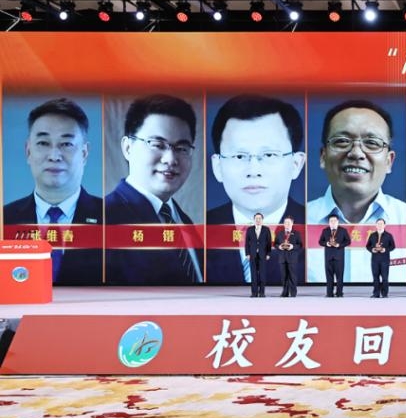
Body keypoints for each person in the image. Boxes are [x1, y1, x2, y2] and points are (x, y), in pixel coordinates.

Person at [206, 95, 307, 285]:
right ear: (217, 167)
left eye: (269, 155)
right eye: (239, 156)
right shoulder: (196, 231)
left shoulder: (316, 227)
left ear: (296, 164)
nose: (253, 171)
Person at [105, 94, 203, 284]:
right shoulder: (104, 220)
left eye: (181, 148)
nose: (170, 159)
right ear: (128, 148)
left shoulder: (184, 222)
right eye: (157, 145)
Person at [2, 98, 101, 284]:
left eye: (66, 144)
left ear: (84, 153)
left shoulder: (113, 218)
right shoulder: (4, 220)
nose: (54, 156)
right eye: (43, 143)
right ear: (28, 151)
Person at [308, 100, 406, 284]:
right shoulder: (298, 220)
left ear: (389, 161)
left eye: (372, 143)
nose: (356, 153)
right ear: (323, 156)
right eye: (342, 141)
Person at [318, 213, 351, 297]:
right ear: (329, 222)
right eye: (331, 221)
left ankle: (339, 293)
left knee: (339, 276)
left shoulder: (343, 230)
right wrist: (327, 243)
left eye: (334, 221)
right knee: (329, 276)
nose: (333, 222)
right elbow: (320, 242)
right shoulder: (325, 231)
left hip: (339, 257)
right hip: (328, 257)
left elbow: (348, 241)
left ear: (338, 222)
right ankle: (329, 293)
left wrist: (339, 245)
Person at [366, 218, 395, 298]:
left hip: (385, 259)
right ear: (376, 225)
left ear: (384, 225)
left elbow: (393, 246)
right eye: (378, 224)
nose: (380, 225)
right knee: (375, 277)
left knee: (385, 277)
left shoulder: (388, 235)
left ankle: (385, 293)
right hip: (375, 259)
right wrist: (372, 249)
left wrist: (385, 249)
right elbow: (367, 246)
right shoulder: (372, 235)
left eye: (381, 224)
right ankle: (376, 293)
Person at [244, 212, 272, 297]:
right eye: (256, 218)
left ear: (262, 220)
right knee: (253, 275)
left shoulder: (266, 229)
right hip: (252, 255)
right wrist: (247, 253)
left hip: (263, 255)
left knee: (262, 275)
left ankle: (262, 292)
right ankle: (254, 293)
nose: (258, 220)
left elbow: (269, 243)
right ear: (254, 220)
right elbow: (247, 243)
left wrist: (268, 253)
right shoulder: (250, 229)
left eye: (260, 218)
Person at [274, 216, 302, 297]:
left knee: (292, 276)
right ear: (283, 224)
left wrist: (292, 246)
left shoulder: (296, 233)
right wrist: (279, 247)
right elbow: (275, 244)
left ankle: (293, 292)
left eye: (289, 222)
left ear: (292, 223)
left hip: (292, 258)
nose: (287, 224)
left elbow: (300, 245)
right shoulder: (279, 233)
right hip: (282, 258)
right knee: (284, 276)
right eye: (285, 222)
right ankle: (285, 292)